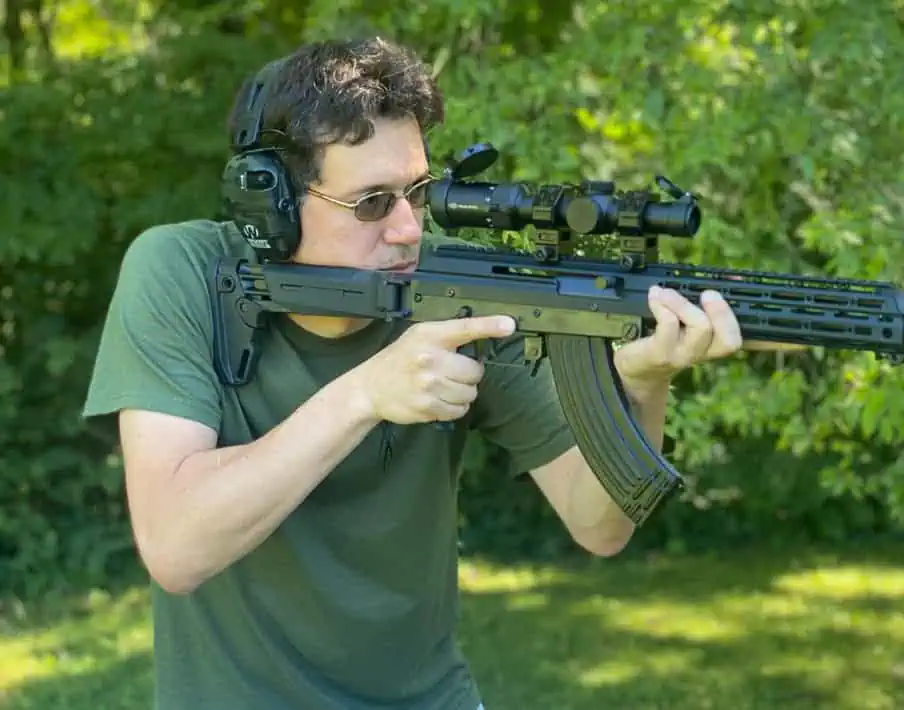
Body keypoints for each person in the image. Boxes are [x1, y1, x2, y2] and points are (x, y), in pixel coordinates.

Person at [82, 34, 745, 710]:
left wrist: (640, 382)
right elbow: (176, 547)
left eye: (419, 193)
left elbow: (601, 525)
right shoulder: (181, 272)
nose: (407, 229)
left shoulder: (464, 289)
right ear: (269, 201)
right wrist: (366, 393)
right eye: (372, 202)